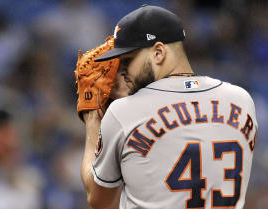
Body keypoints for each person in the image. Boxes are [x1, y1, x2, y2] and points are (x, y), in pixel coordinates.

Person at [79, 5, 258, 209]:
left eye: (128, 60)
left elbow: (99, 201)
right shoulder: (241, 100)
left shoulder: (123, 112)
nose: (123, 72)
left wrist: (93, 119)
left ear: (158, 52)